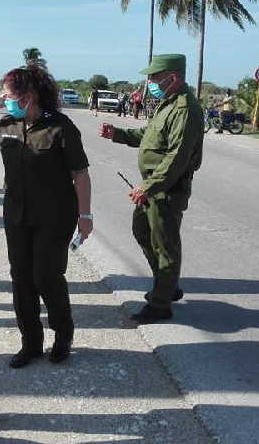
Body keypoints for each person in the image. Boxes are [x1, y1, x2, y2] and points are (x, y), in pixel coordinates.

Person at [0, 65, 92, 368]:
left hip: (55, 215)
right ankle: (31, 343)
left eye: (9, 94)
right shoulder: (8, 124)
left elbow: (80, 173)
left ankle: (62, 335)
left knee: (46, 276)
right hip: (17, 214)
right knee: (21, 278)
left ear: (28, 96)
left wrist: (85, 214)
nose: (5, 99)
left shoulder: (60, 126)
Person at [99, 54, 203, 323]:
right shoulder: (166, 104)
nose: (151, 83)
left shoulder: (185, 109)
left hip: (166, 189)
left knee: (165, 244)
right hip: (154, 188)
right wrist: (118, 134)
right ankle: (166, 286)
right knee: (142, 231)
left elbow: (177, 157)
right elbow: (148, 135)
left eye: (156, 78)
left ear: (173, 77)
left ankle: (160, 304)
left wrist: (149, 186)